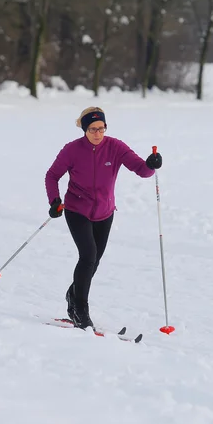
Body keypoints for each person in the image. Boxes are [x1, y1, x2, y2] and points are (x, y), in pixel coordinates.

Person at [44, 107, 162, 329]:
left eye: (101, 128)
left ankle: (73, 294)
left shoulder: (115, 147)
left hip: (105, 213)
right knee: (88, 256)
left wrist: (151, 164)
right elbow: (52, 176)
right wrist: (54, 201)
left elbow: (142, 170)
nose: (98, 133)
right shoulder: (72, 150)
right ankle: (80, 309)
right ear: (84, 130)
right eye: (93, 129)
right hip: (77, 209)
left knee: (94, 260)